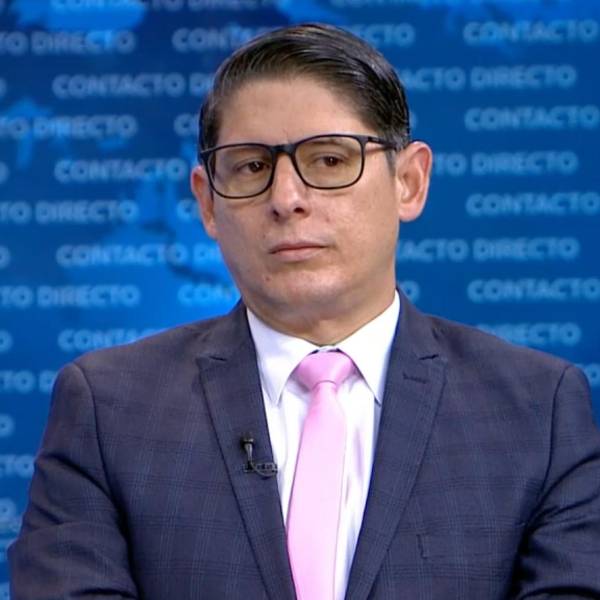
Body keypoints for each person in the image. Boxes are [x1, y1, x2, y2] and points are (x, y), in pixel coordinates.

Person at [8, 23, 600, 600]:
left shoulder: (537, 410)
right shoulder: (108, 410)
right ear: (208, 204)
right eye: (251, 166)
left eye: (329, 161)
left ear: (409, 182)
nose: (287, 198)